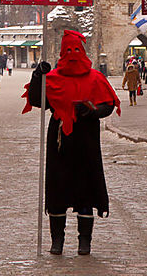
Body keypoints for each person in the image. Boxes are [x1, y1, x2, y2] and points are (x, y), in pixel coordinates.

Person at [23, 31, 120, 256]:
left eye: (77, 50)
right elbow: (38, 100)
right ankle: (57, 240)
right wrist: (38, 77)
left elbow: (108, 104)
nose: (73, 55)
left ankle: (84, 240)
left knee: (85, 190)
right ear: (61, 53)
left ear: (83, 52)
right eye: (69, 51)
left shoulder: (96, 78)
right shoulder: (54, 78)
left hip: (86, 141)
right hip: (59, 142)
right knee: (58, 190)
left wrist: (92, 110)